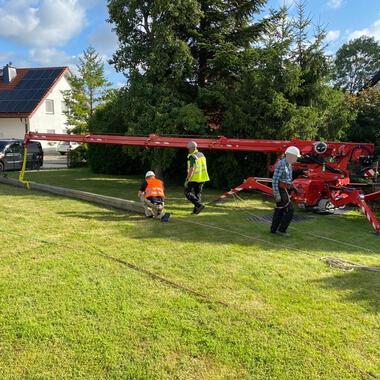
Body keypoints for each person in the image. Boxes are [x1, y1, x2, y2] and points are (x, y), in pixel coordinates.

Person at [270, 146, 300, 237]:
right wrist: (277, 194)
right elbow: (275, 180)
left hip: (284, 188)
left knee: (280, 209)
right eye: (295, 157)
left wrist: (293, 187)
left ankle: (274, 229)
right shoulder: (281, 164)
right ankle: (281, 230)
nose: (296, 159)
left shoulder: (289, 164)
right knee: (289, 210)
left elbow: (288, 179)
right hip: (280, 189)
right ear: (288, 155)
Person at [184, 141, 210, 214]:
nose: (188, 150)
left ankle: (199, 205)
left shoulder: (192, 157)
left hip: (194, 178)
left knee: (187, 193)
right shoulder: (201, 155)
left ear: (192, 148)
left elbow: (192, 169)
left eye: (189, 149)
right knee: (197, 194)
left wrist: (187, 179)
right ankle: (196, 211)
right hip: (202, 178)